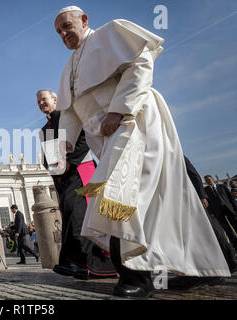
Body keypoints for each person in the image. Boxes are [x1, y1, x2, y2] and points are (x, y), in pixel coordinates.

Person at [53, 6, 229, 298]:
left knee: (122, 196)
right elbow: (70, 109)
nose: (64, 34)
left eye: (67, 27)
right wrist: (66, 142)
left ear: (84, 20)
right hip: (106, 137)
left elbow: (141, 62)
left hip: (134, 123)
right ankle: (198, 268)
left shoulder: (111, 34)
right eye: (59, 32)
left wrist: (119, 109)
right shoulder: (69, 67)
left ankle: (136, 277)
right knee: (165, 199)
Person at [37, 89, 116, 280]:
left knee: (79, 213)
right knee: (71, 213)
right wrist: (54, 169)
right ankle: (80, 263)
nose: (41, 103)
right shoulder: (44, 130)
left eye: (44, 99)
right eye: (38, 101)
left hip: (81, 168)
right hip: (63, 176)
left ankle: (82, 262)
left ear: (55, 99)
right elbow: (49, 157)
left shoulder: (68, 116)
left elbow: (83, 137)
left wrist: (70, 161)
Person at [167, 157, 237, 290]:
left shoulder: (173, 150)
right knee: (202, 233)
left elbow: (193, 174)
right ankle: (218, 268)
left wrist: (201, 195)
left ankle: (228, 258)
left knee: (205, 232)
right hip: (176, 200)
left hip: (187, 198)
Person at [204, 175, 237, 249]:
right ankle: (235, 245)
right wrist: (211, 213)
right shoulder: (206, 190)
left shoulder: (222, 187)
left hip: (228, 209)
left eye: (209, 179)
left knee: (235, 224)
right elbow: (207, 204)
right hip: (218, 212)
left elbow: (230, 198)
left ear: (213, 179)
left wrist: (235, 208)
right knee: (227, 229)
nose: (208, 181)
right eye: (206, 180)